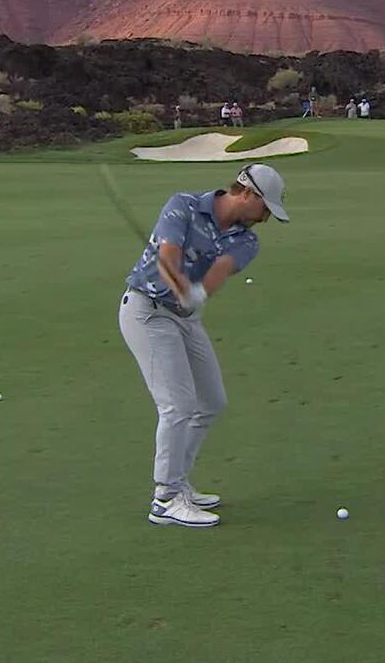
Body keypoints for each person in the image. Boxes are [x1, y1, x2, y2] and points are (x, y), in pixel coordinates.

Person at [120, 163, 290, 528]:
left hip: (185, 318)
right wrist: (178, 282)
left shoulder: (247, 241)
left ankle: (179, 482)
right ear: (248, 193)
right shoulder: (183, 205)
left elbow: (220, 270)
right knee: (177, 404)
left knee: (211, 402)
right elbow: (168, 258)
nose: (265, 217)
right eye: (265, 208)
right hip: (147, 312)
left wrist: (196, 293)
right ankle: (165, 499)